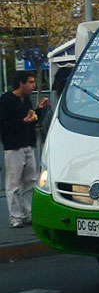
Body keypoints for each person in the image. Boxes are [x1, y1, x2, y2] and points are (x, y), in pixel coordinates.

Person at [0, 72, 50, 228]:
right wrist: (23, 121)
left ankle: (28, 213)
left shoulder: (26, 100)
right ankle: (15, 216)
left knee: (30, 181)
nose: (34, 85)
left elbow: (31, 119)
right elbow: (4, 124)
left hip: (28, 144)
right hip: (13, 147)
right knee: (13, 183)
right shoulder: (7, 100)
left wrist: (39, 110)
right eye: (30, 82)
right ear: (21, 84)